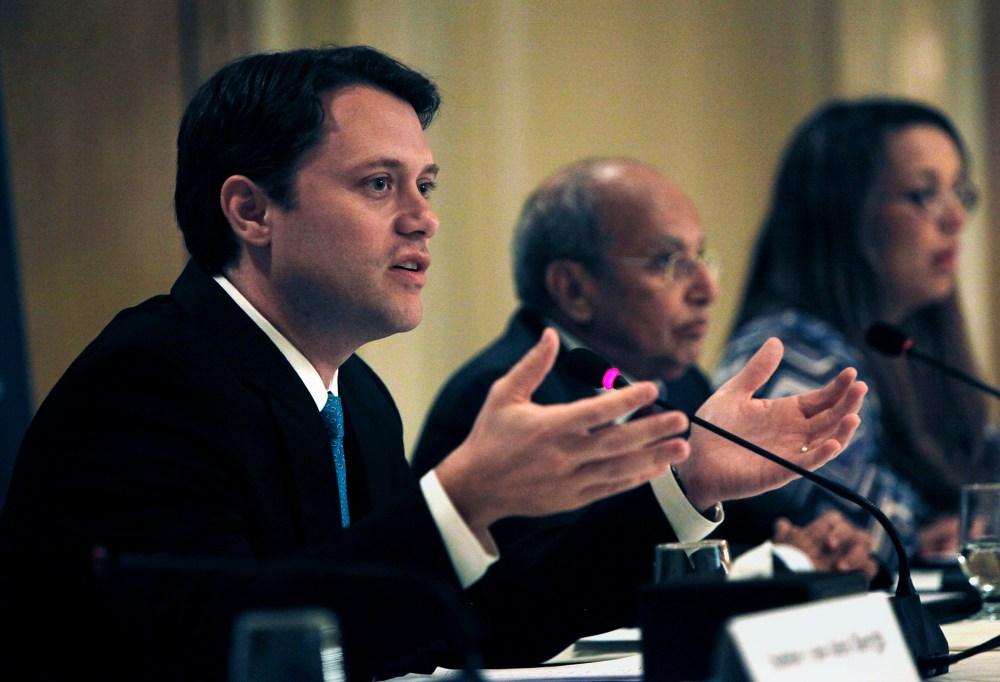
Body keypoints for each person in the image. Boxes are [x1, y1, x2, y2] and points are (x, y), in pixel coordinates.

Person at [0, 47, 866, 681]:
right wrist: (461, 501)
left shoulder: (357, 397)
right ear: (251, 209)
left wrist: (686, 486)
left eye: (427, 186)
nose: (424, 219)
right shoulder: (149, 380)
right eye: (380, 184)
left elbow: (474, 626)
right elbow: (221, 646)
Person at [413, 157, 876, 577]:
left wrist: (821, 541)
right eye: (668, 262)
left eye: (701, 258)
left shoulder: (679, 384)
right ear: (574, 289)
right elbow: (529, 601)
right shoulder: (501, 401)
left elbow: (764, 528)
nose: (706, 290)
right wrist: (777, 563)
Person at [716, 98, 1000, 567]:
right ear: (843, 215)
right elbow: (857, 533)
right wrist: (953, 529)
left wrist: (973, 523)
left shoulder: (911, 344)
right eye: (923, 195)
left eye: (959, 192)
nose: (956, 219)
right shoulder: (790, 355)